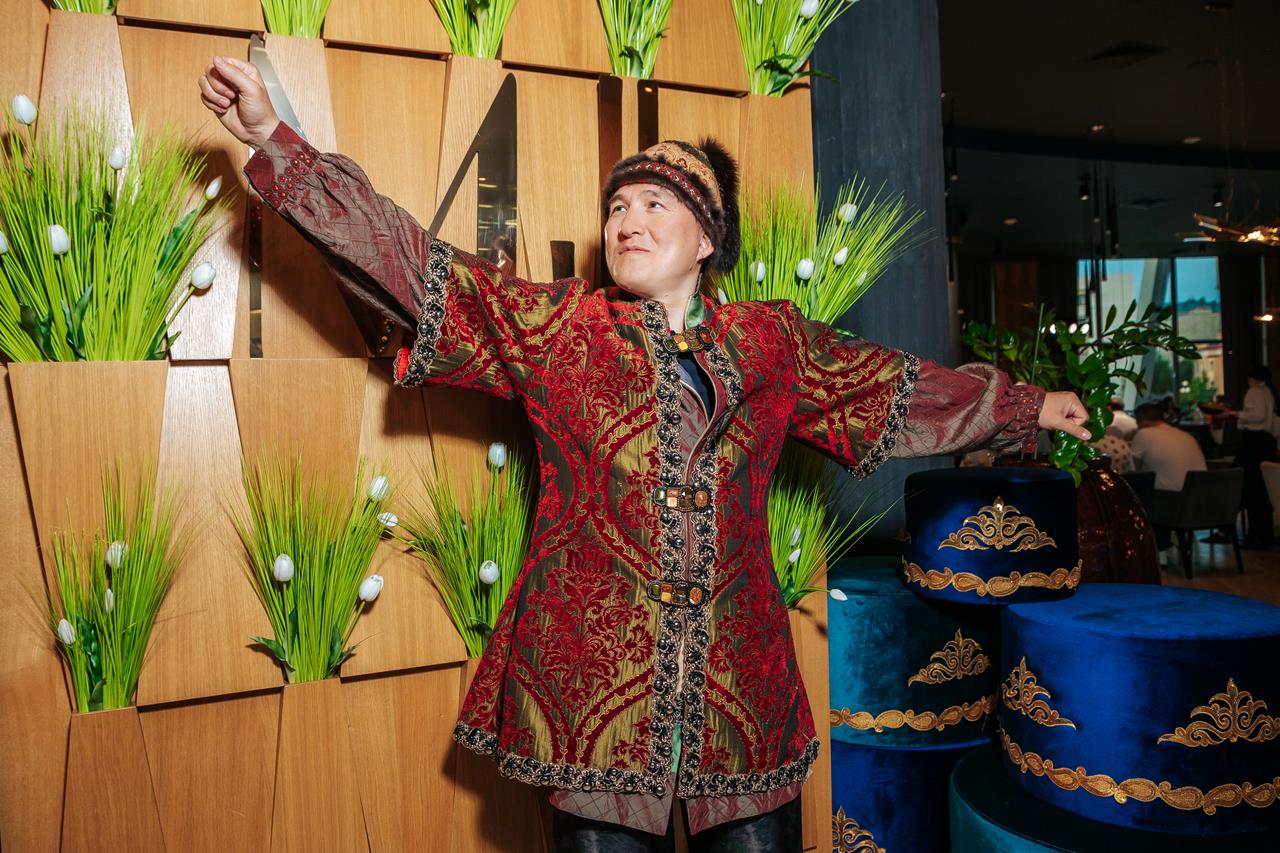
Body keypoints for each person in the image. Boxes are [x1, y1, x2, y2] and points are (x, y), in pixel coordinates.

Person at [199, 55, 1090, 852]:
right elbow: (417, 268)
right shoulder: (560, 330)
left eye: (655, 204)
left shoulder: (772, 343)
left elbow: (887, 388)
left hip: (743, 703)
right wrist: (278, 143)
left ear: (706, 240)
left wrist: (1025, 407)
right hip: (596, 706)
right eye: (617, 206)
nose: (627, 219)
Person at [1225, 365, 1280, 548]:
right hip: (1265, 443)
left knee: (1248, 488)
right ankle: (1262, 535)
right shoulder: (1268, 392)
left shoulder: (1255, 391)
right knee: (1260, 491)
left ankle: (1251, 535)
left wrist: (1234, 413)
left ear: (1252, 378)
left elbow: (1257, 416)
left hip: (1253, 444)